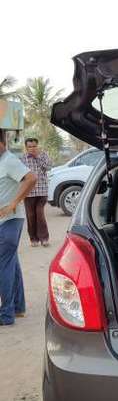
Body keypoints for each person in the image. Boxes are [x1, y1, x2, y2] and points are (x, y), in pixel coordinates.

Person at [0, 130, 37, 326]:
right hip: (7, 222)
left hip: (10, 222)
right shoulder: (2, 162)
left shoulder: (9, 160)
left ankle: (6, 315)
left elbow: (31, 178)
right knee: (11, 264)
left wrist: (14, 202)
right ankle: (18, 308)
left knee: (3, 266)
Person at [21, 137, 52, 246]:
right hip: (28, 192)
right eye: (30, 147)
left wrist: (37, 157)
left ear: (37, 146)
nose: (32, 149)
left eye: (34, 146)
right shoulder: (23, 159)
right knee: (30, 215)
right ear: (26, 147)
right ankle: (33, 239)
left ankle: (44, 238)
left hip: (42, 191)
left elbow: (48, 167)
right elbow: (20, 175)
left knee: (40, 214)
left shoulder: (43, 155)